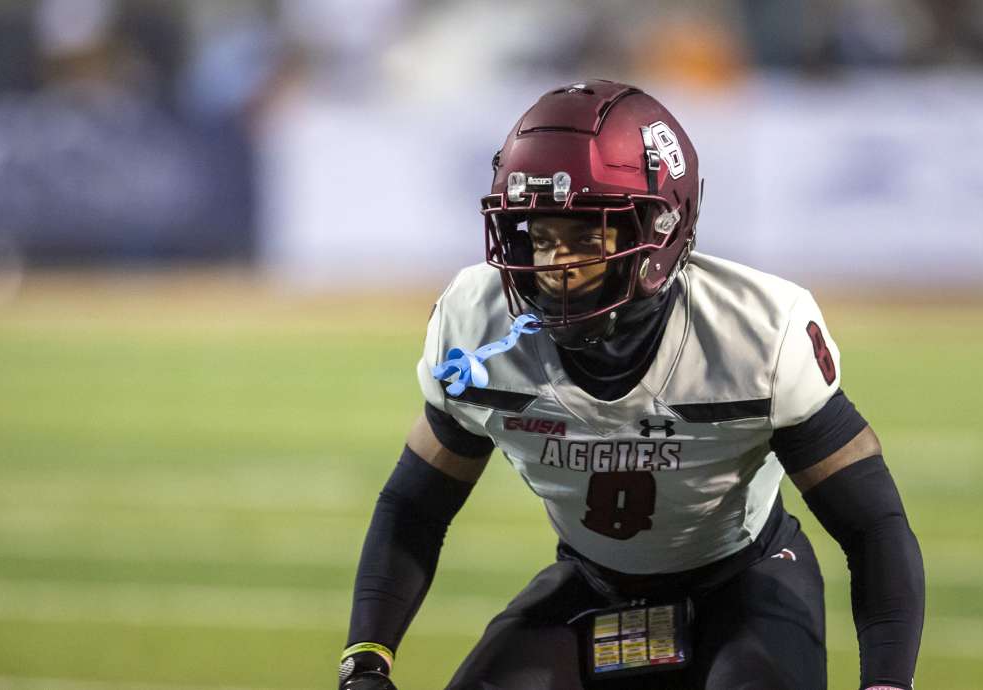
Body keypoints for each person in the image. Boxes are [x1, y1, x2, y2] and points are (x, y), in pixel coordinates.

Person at [339, 80, 924, 690]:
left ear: (659, 228)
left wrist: (886, 683)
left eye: (585, 235)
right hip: (592, 584)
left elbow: (872, 524)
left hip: (747, 580)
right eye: (539, 236)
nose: (553, 265)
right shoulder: (479, 322)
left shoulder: (753, 332)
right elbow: (414, 505)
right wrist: (366, 656)